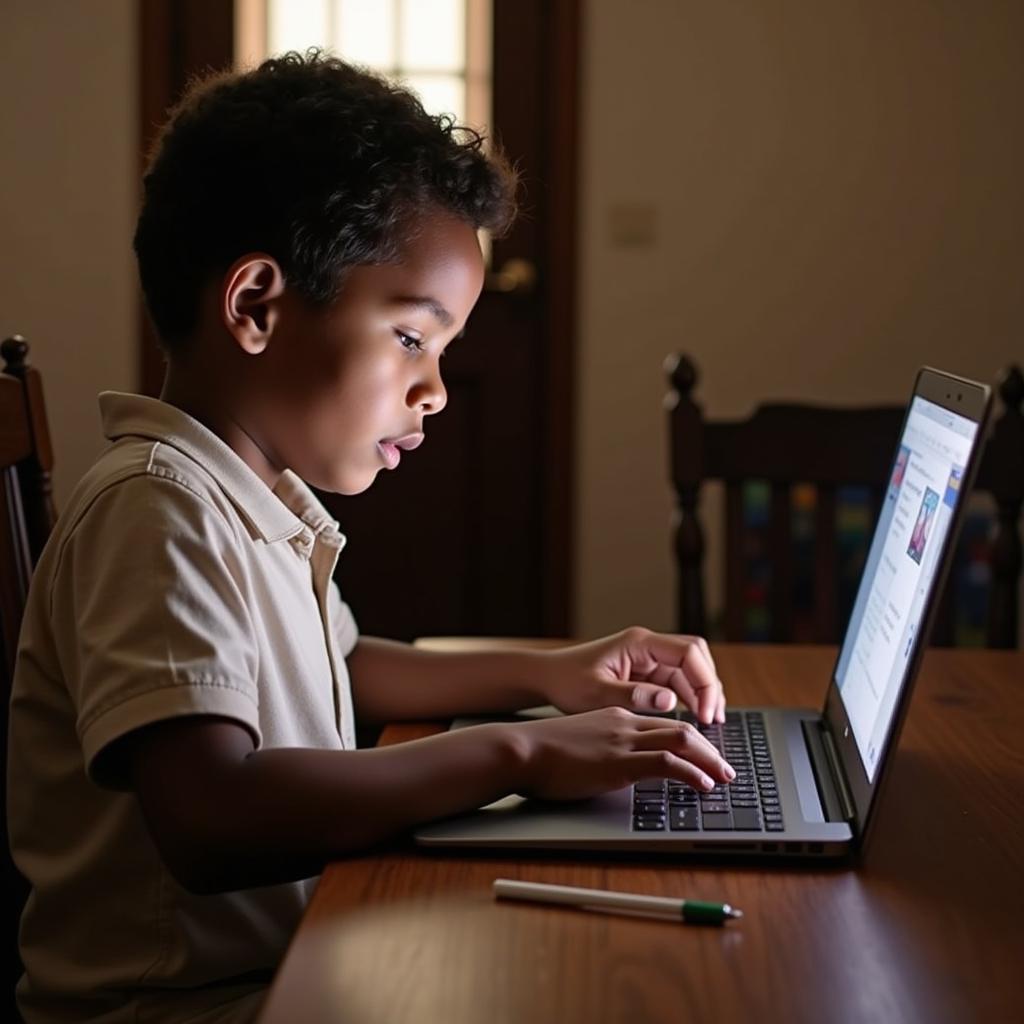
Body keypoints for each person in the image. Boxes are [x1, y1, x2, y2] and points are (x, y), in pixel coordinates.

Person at [8, 51, 734, 1023]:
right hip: (179, 1005)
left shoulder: (257, 496)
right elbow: (211, 816)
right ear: (256, 306)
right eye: (410, 338)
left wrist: (552, 675)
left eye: (442, 352)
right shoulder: (156, 511)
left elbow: (345, 667)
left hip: (288, 958)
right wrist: (519, 759)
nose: (433, 388)